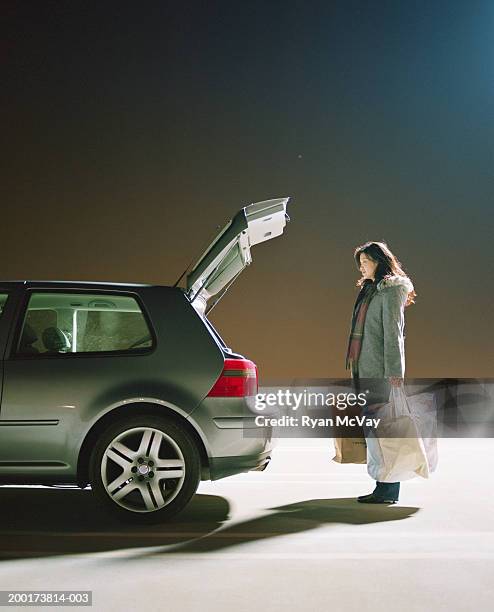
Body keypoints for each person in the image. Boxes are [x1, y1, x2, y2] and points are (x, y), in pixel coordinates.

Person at [345, 241, 416, 504]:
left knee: (384, 429)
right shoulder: (371, 290)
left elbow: (393, 334)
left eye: (366, 262)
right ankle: (382, 485)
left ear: (380, 261)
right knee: (375, 429)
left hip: (381, 373)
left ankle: (388, 489)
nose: (362, 267)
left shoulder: (390, 290)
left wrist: (395, 373)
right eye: (360, 262)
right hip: (365, 369)